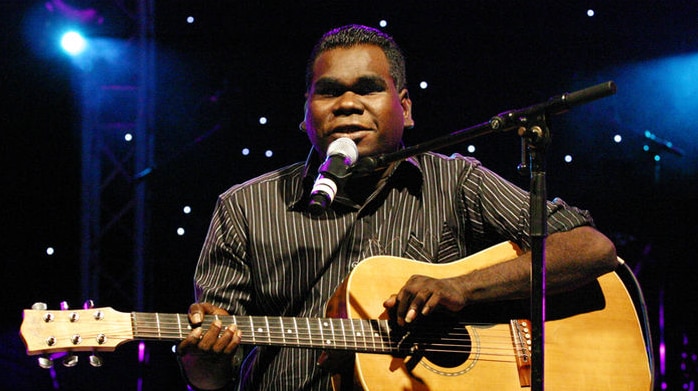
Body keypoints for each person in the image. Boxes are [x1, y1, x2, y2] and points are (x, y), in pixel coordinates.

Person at [177, 24, 618, 390]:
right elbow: (209, 377)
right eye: (328, 92)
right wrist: (203, 355)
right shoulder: (244, 206)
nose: (348, 104)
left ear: (404, 109)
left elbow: (591, 249)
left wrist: (465, 286)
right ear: (305, 113)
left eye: (368, 89)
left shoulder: (455, 180)